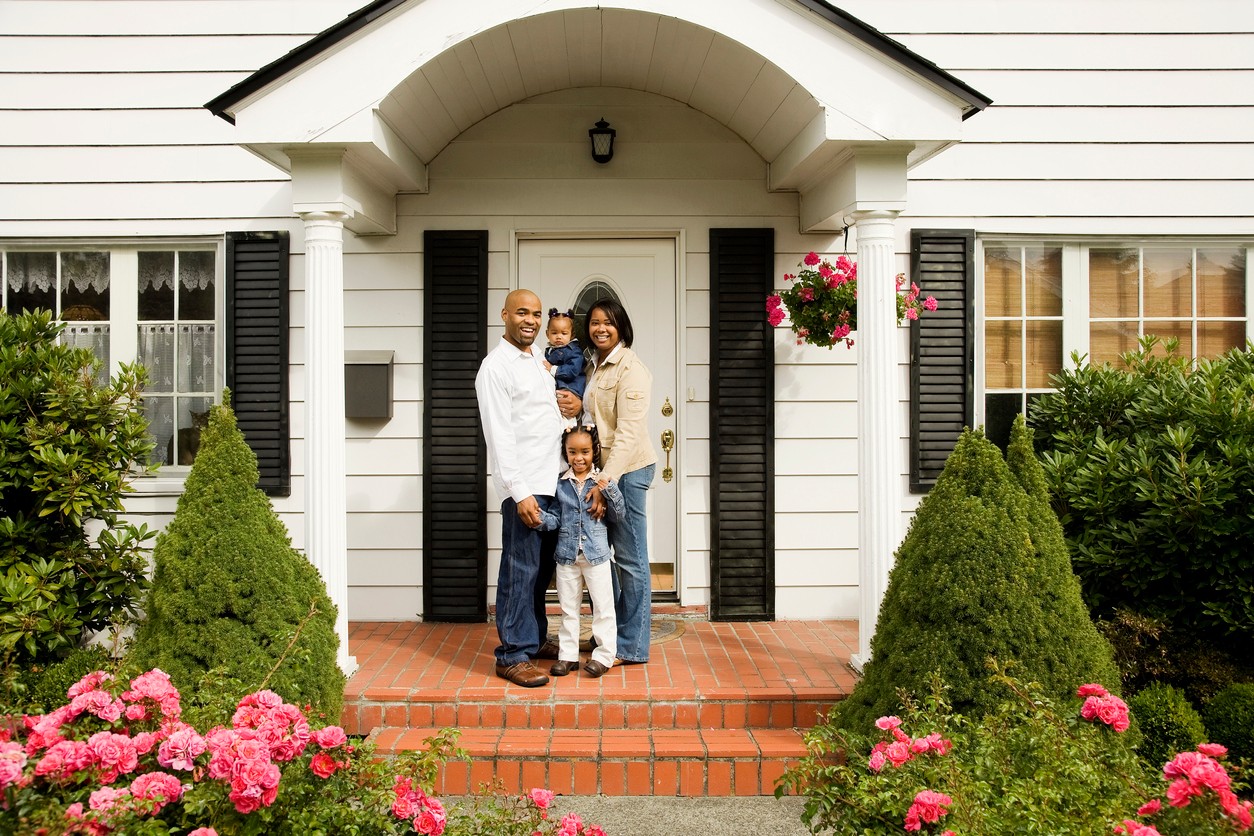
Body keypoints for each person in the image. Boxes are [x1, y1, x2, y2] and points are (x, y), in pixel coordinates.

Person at [475, 288, 580, 687]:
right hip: (527, 486)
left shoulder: (539, 358)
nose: (531, 321)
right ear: (504, 315)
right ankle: (512, 654)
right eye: (522, 313)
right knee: (520, 569)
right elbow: (499, 436)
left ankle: (533, 639)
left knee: (540, 571)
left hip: (552, 478)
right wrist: (518, 493)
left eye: (536, 314)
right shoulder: (496, 368)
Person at [581, 298, 657, 666]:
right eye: (594, 322)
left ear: (620, 326)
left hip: (625, 473)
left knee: (630, 559)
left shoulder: (631, 369)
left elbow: (627, 434)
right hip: (602, 473)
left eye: (608, 322)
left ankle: (631, 644)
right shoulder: (595, 366)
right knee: (598, 557)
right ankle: (607, 635)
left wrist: (603, 481)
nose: (600, 328)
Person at [535, 424, 623, 677]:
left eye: (584, 451)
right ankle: (568, 656)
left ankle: (604, 656)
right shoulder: (560, 485)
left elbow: (618, 515)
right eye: (572, 452)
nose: (579, 458)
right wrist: (538, 518)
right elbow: (554, 518)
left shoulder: (600, 482)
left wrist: (610, 488)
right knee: (568, 609)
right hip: (567, 557)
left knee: (603, 607)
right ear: (565, 452)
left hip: (597, 557)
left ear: (594, 451)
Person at [543, 308, 586, 429]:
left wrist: (553, 369)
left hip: (570, 389)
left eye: (564, 333)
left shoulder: (574, 351)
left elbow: (572, 371)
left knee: (566, 416)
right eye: (554, 333)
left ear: (571, 334)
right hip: (558, 388)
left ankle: (568, 433)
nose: (558, 337)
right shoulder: (550, 350)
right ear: (547, 334)